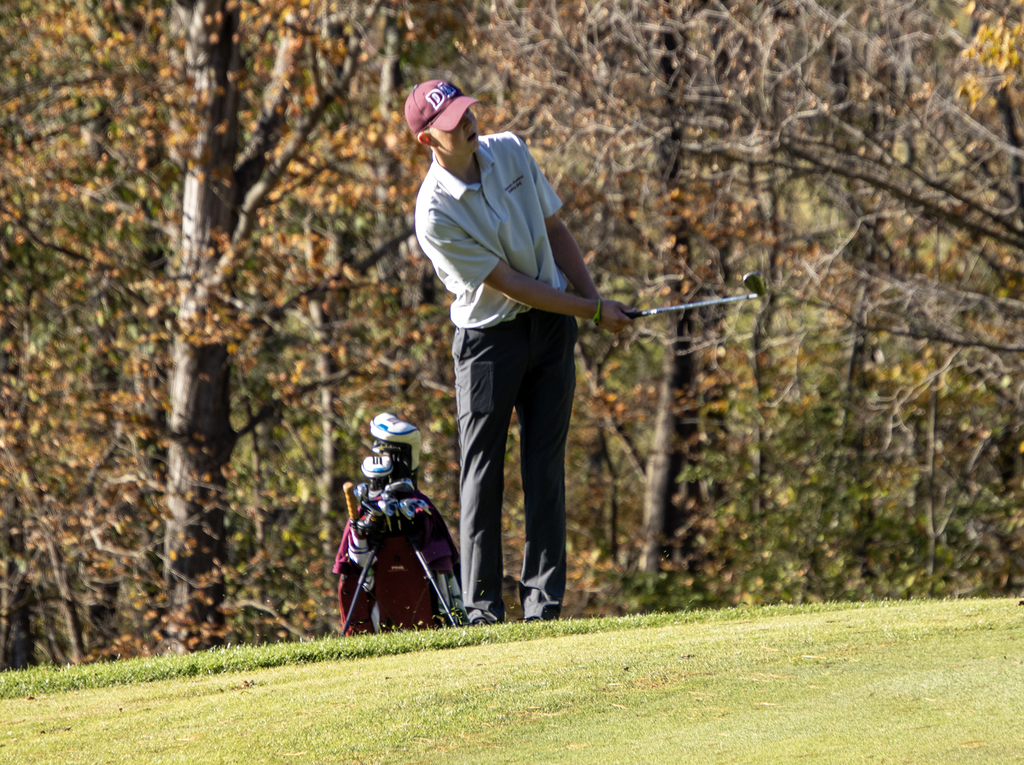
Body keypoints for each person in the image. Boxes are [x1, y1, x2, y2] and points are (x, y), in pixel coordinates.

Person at [405, 79, 633, 624]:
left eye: (466, 111)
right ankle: (482, 609)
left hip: (552, 332)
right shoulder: (434, 212)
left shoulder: (509, 149)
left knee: (544, 469)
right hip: (489, 344)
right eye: (452, 121)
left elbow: (554, 230)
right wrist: (588, 312)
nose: (466, 123)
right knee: (482, 475)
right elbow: (508, 282)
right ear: (427, 140)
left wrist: (594, 300)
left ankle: (543, 606)